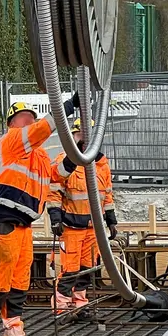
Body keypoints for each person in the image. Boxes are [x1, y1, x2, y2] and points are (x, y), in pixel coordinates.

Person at [0, 95, 77, 336]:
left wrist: (78, 152)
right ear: (12, 122)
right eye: (24, 117)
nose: (29, 120)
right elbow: (42, 130)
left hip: (24, 225)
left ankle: (14, 335)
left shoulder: (38, 154)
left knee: (20, 282)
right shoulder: (10, 142)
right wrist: (67, 107)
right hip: (4, 221)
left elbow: (57, 174)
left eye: (31, 117)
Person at [48, 116, 116, 319]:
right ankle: (61, 307)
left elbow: (107, 195)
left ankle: (80, 305)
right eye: (80, 135)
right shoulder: (66, 163)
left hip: (92, 228)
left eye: (88, 136)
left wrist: (111, 220)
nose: (84, 140)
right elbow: (53, 190)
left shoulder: (102, 165)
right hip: (71, 227)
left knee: (86, 270)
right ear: (74, 137)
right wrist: (55, 217)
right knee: (70, 270)